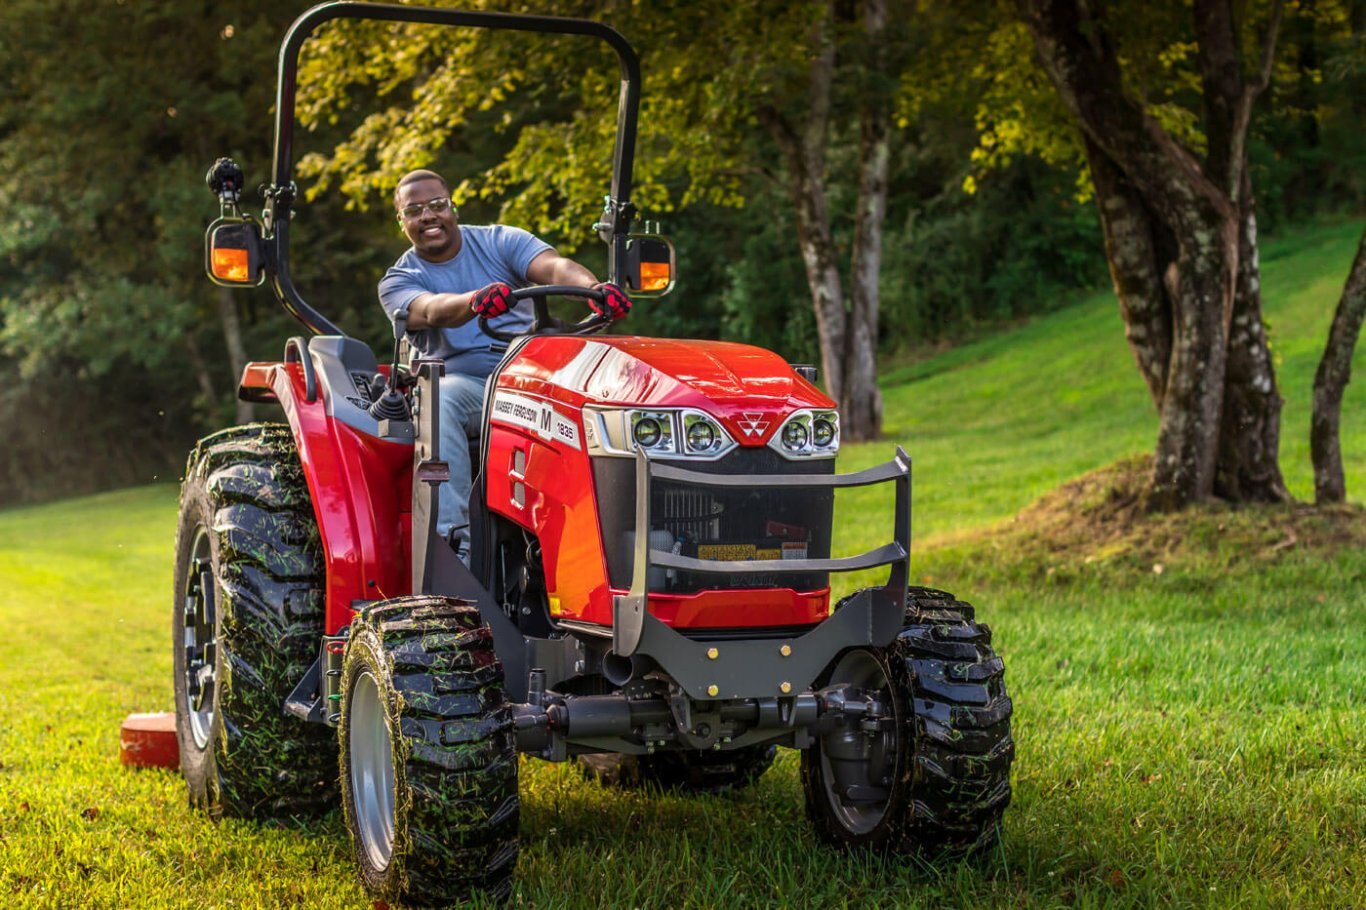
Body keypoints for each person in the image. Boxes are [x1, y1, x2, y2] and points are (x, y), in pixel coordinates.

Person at [378, 168, 630, 558]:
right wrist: (473, 301)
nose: (428, 216)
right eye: (414, 211)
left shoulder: (500, 241)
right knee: (441, 399)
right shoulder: (399, 279)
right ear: (401, 222)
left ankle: (621, 542)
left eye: (436, 205)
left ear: (453, 207)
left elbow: (555, 268)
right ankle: (453, 549)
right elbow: (430, 311)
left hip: (533, 376)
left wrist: (593, 290)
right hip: (469, 387)